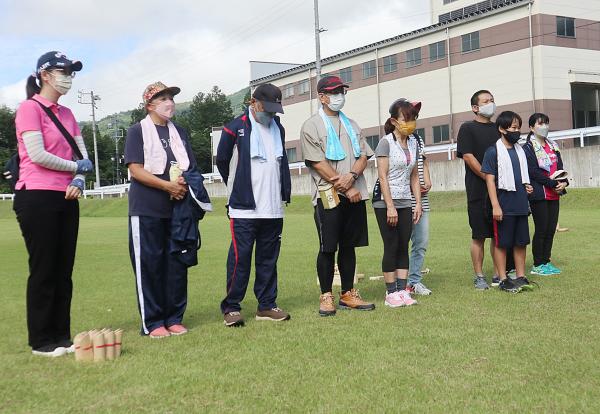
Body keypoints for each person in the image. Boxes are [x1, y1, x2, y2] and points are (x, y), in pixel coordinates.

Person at [13, 51, 91, 357]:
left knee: (64, 269)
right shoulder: (29, 109)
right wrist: (76, 170)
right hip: (36, 195)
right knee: (44, 267)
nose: (68, 76)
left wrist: (80, 179)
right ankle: (42, 341)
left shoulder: (68, 114)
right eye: (64, 71)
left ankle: (62, 335)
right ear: (45, 75)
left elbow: (82, 158)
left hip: (67, 195)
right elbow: (38, 155)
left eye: (71, 72)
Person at [125, 82, 202, 338]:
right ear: (150, 105)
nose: (169, 102)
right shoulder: (137, 131)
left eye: (171, 97)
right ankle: (153, 322)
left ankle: (174, 317)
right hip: (147, 208)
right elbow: (135, 169)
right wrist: (167, 185)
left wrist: (182, 182)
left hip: (177, 209)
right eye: (163, 98)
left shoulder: (179, 132)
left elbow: (189, 165)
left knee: (176, 264)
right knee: (149, 266)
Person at [216, 83, 292, 327]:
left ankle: (267, 305)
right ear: (253, 102)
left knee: (268, 259)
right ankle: (231, 307)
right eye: (266, 108)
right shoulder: (234, 127)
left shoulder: (277, 128)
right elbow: (223, 161)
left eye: (274, 110)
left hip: (272, 207)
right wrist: (237, 187)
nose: (269, 114)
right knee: (241, 258)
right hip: (244, 207)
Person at [300, 75, 375, 316]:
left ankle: (348, 293)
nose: (339, 96)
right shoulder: (311, 126)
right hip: (328, 195)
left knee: (349, 246)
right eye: (334, 92)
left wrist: (352, 176)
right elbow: (317, 162)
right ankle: (326, 296)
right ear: (322, 97)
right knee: (327, 247)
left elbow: (364, 155)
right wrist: (344, 185)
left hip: (354, 193)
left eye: (342, 91)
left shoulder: (352, 124)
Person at [372, 99, 423, 307]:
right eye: (406, 119)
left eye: (413, 119)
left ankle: (403, 291)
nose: (410, 123)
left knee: (404, 244)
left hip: (406, 200)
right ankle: (390, 293)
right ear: (394, 121)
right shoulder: (386, 142)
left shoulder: (413, 142)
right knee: (391, 245)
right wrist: (390, 206)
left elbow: (413, 176)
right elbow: (383, 177)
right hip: (385, 202)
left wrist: (417, 203)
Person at [481, 111, 534, 293]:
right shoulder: (493, 152)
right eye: (513, 127)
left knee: (521, 242)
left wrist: (527, 187)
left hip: (520, 204)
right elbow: (489, 180)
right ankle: (503, 278)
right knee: (502, 243)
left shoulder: (521, 151)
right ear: (502, 129)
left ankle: (520, 276)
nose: (517, 131)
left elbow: (522, 176)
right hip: (503, 205)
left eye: (518, 127)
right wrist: (495, 205)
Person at [457, 90, 502, 290]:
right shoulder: (467, 128)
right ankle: (479, 275)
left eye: (492, 100)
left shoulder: (499, 129)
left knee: (497, 234)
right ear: (475, 107)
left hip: (501, 189)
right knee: (479, 235)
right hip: (478, 190)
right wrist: (487, 176)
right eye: (486, 101)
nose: (490, 104)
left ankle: (498, 273)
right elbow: (468, 156)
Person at [523, 113, 567, 276]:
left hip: (554, 194)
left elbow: (560, 168)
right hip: (539, 194)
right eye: (540, 123)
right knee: (541, 229)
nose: (544, 126)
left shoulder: (553, 145)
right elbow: (532, 171)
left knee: (550, 230)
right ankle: (538, 264)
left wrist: (563, 183)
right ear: (532, 127)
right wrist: (552, 183)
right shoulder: (528, 147)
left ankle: (546, 261)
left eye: (547, 123)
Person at [408, 118, 433, 295]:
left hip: (422, 201)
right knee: (400, 245)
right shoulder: (391, 140)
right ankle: (398, 284)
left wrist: (428, 181)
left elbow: (423, 161)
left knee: (421, 243)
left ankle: (414, 281)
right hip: (402, 202)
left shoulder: (418, 139)